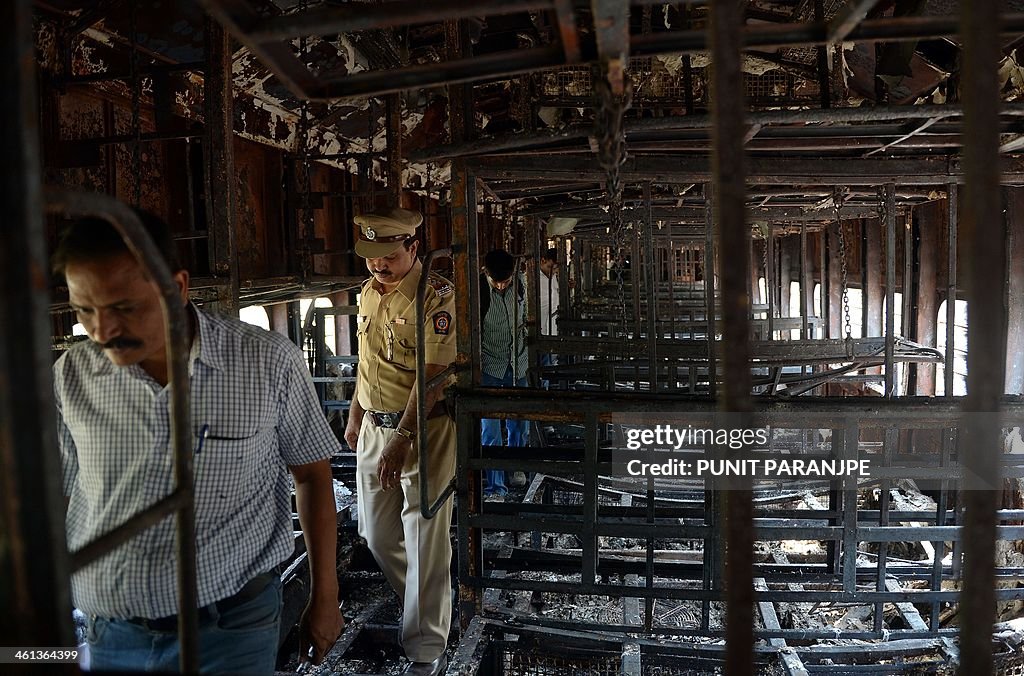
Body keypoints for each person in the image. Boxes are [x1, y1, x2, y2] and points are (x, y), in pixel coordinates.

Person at [52, 211, 344, 674]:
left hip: (231, 626)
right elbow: (63, 496)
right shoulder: (71, 375)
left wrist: (325, 595)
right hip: (112, 630)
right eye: (84, 310)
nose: (102, 330)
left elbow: (311, 474)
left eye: (124, 307)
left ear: (179, 287)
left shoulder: (267, 363)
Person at [344, 207, 456, 676]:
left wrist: (403, 437)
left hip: (424, 429)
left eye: (388, 256)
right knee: (374, 533)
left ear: (414, 247)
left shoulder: (436, 296)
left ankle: (426, 647)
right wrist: (355, 416)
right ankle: (429, 603)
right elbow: (366, 363)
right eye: (372, 257)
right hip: (374, 426)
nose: (378, 266)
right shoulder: (368, 293)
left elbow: (432, 374)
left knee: (424, 533)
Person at [479, 249, 529, 496]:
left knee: (519, 422)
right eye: (496, 281)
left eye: (505, 281)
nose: (501, 285)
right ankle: (495, 485)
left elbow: (526, 315)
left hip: (518, 362)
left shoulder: (520, 284)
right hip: (490, 365)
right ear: (486, 274)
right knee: (490, 429)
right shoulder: (478, 291)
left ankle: (516, 469)